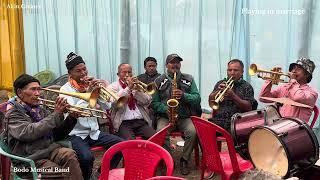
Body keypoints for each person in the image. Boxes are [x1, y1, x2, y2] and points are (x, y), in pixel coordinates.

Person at [3, 74, 83, 179]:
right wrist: (56, 114)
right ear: (20, 92)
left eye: (39, 89)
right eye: (33, 90)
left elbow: (56, 135)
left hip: (47, 150)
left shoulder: (40, 110)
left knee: (69, 155)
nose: (37, 93)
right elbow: (29, 132)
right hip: (28, 160)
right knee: (60, 172)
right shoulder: (13, 113)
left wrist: (71, 118)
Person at [60, 52, 123, 180]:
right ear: (70, 74)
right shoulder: (64, 90)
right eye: (78, 71)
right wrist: (89, 95)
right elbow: (74, 112)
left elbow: (107, 107)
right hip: (75, 134)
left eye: (84, 69)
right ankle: (86, 177)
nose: (83, 73)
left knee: (121, 147)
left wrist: (98, 92)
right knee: (87, 158)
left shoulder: (91, 85)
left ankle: (100, 174)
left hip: (94, 132)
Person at [152, 53, 201, 175]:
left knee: (192, 131)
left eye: (177, 62)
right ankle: (169, 159)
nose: (175, 64)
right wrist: (165, 109)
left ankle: (184, 159)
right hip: (165, 117)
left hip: (184, 116)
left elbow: (197, 98)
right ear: (166, 65)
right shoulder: (158, 81)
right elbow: (154, 103)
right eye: (172, 62)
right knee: (160, 132)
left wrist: (184, 95)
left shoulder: (189, 78)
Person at [259, 58, 318, 122]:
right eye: (293, 68)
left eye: (298, 69)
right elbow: (263, 98)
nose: (294, 71)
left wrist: (293, 81)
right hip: (279, 125)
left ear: (307, 74)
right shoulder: (284, 87)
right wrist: (270, 80)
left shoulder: (312, 93)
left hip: (297, 129)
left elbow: (298, 97)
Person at [108, 63, 156, 140]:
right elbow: (114, 104)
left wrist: (136, 92)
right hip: (123, 123)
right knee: (130, 142)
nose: (127, 75)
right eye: (124, 72)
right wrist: (128, 88)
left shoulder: (136, 86)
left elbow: (147, 101)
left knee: (155, 138)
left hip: (140, 121)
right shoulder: (113, 87)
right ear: (118, 74)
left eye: (129, 72)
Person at [208, 59, 258, 132]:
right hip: (218, 121)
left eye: (235, 70)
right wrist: (217, 92)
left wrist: (233, 96)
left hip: (237, 123)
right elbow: (210, 101)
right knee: (202, 131)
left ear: (242, 72)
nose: (232, 73)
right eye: (229, 70)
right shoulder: (220, 83)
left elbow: (248, 108)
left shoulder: (247, 87)